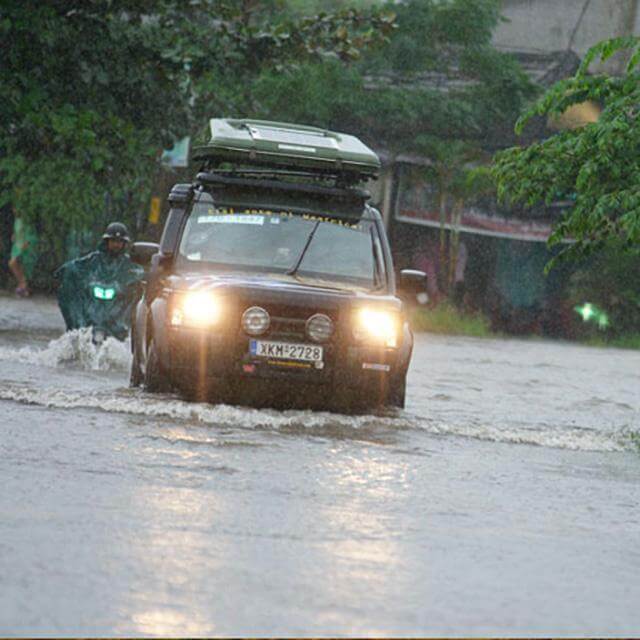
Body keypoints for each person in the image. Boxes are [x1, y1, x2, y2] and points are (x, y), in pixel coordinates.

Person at [55, 222, 144, 340]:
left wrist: (131, 284)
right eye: (113, 241)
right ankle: (79, 330)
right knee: (81, 325)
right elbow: (76, 267)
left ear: (124, 244)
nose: (116, 245)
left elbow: (139, 275)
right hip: (92, 304)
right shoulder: (93, 259)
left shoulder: (128, 264)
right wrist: (65, 272)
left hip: (118, 306)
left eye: (119, 241)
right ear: (107, 242)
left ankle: (122, 333)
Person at [9, 210, 39, 297]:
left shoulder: (27, 221)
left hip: (24, 247)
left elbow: (31, 235)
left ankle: (23, 285)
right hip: (17, 247)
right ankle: (23, 284)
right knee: (14, 264)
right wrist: (14, 236)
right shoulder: (17, 220)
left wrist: (27, 243)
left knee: (15, 263)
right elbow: (17, 232)